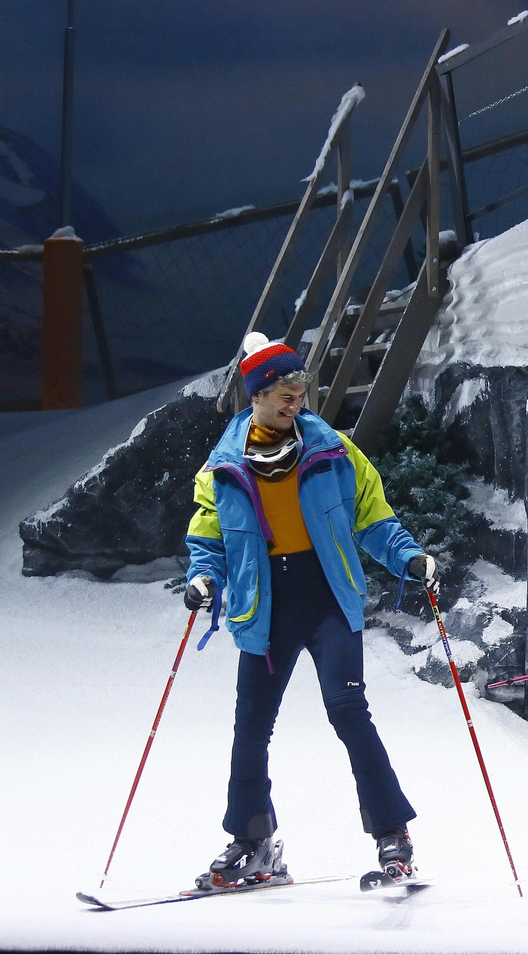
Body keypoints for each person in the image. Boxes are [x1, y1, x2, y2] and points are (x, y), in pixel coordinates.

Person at [183, 332, 436, 891]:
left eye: (301, 393)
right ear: (257, 396)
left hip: (326, 600)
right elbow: (209, 540)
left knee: (348, 710)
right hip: (265, 607)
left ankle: (393, 834)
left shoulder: (334, 452)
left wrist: (409, 558)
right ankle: (255, 844)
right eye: (285, 396)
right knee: (251, 728)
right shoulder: (222, 468)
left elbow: (373, 518)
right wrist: (203, 579)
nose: (296, 403)